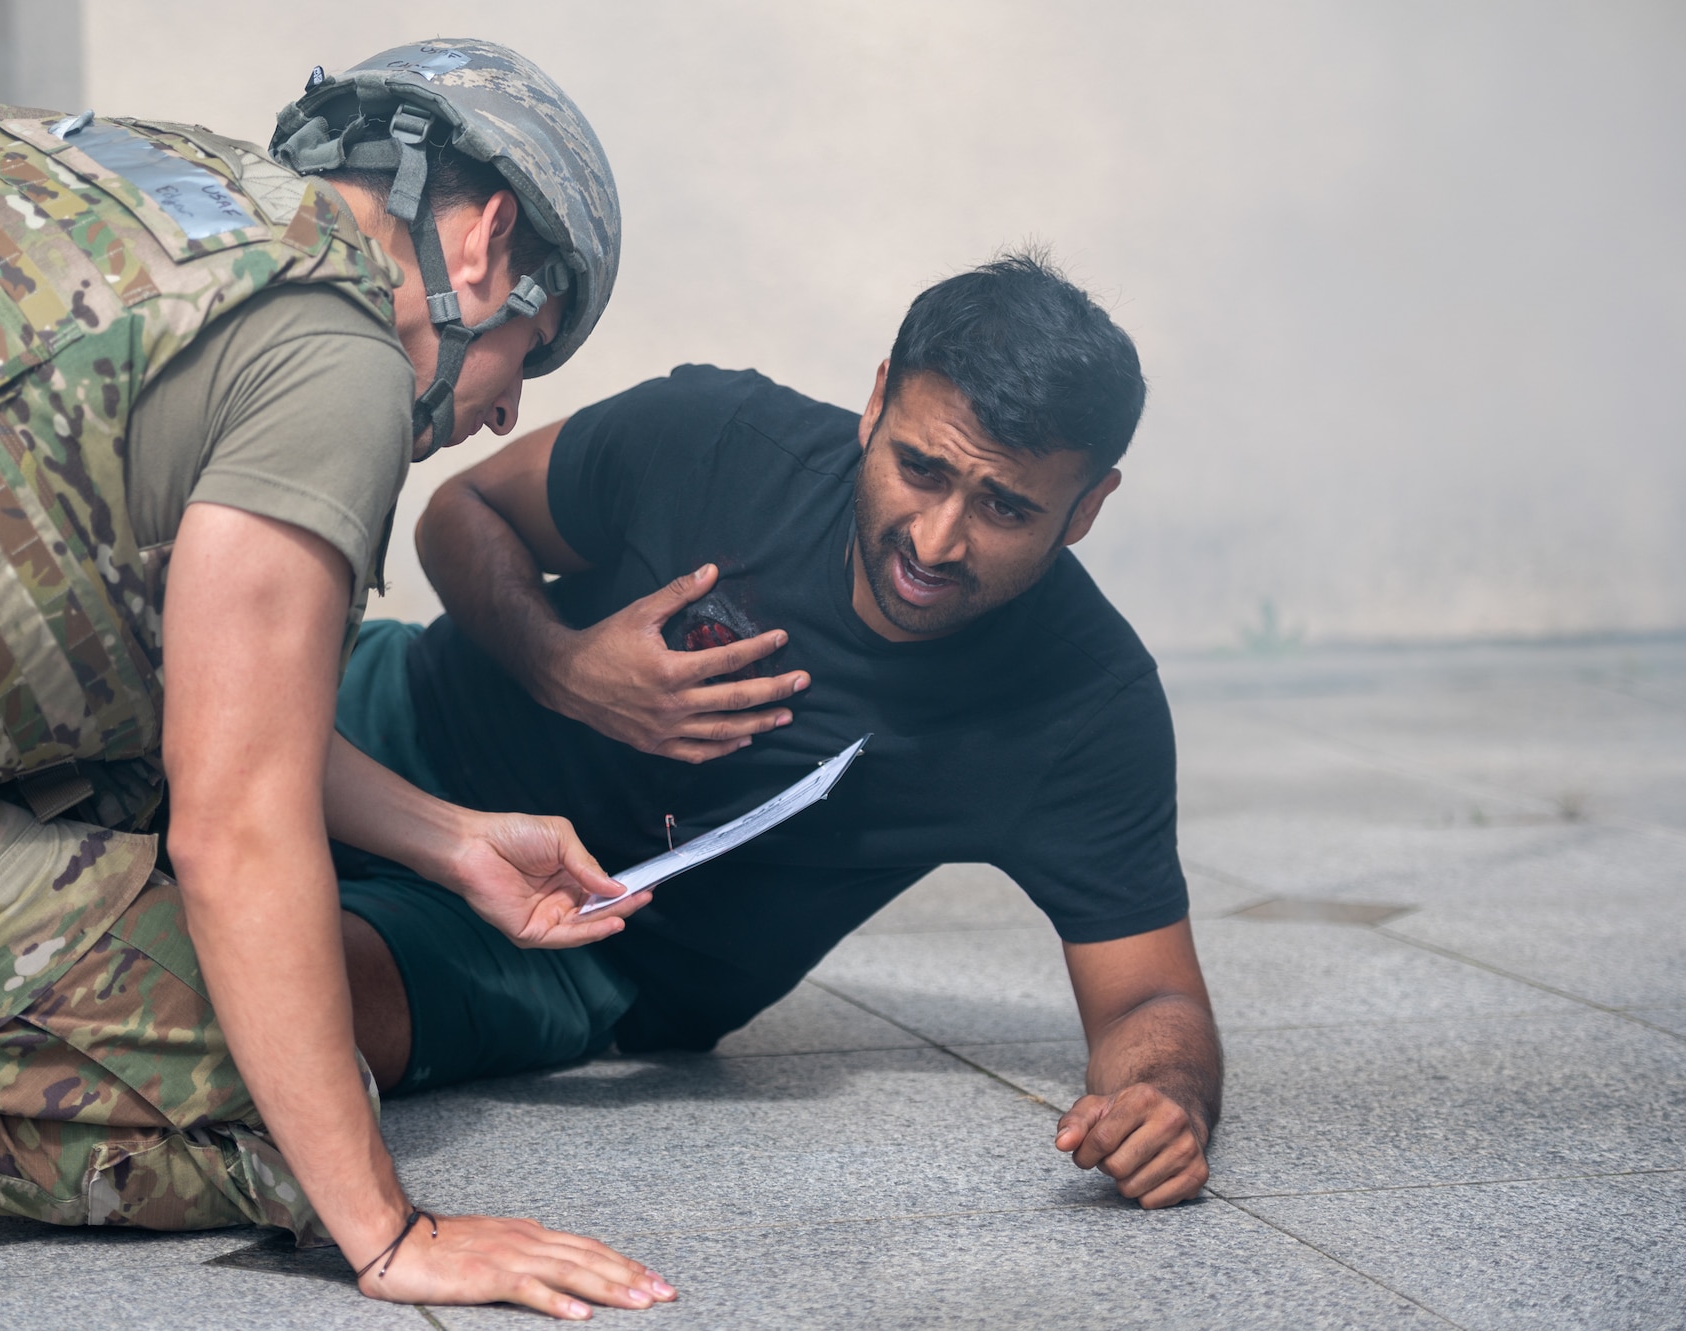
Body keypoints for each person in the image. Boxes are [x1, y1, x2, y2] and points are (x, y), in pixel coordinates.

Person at [0, 39, 677, 1319]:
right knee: (268, 1094)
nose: (501, 415)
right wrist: (383, 1231)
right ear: (483, 244)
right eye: (529, 354)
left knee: (146, 832)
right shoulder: (338, 356)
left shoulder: (116, 183)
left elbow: (194, 703)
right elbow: (235, 829)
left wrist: (451, 843)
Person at [330, 252, 1222, 1210]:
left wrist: (1163, 1098)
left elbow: (1150, 999)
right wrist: (563, 666)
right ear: (877, 402)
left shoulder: (1086, 707)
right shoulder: (719, 437)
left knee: (276, 1005)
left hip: (579, 948)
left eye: (1004, 507)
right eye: (920, 469)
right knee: (161, 713)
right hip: (396, 717)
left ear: (1087, 507)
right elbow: (462, 510)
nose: (935, 540)